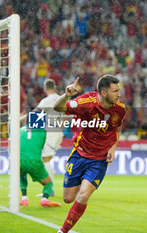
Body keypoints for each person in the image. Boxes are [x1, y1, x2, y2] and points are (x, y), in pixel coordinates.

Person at [54, 75, 125, 233]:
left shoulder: (119, 109)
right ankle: (81, 178)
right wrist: (66, 95)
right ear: (104, 93)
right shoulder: (85, 103)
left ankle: (63, 231)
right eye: (115, 91)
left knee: (83, 195)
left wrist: (113, 146)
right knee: (68, 198)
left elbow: (117, 126)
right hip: (79, 153)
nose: (119, 95)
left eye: (119, 91)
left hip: (99, 159)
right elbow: (57, 108)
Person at [19, 125, 61, 208]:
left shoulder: (20, 130)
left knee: (21, 175)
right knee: (48, 183)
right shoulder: (42, 131)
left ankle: (24, 198)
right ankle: (44, 200)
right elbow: (41, 145)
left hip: (20, 160)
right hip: (35, 161)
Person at [35, 79, 64, 197]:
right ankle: (49, 188)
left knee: (45, 158)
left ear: (45, 88)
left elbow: (35, 114)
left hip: (51, 133)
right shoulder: (61, 98)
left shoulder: (45, 101)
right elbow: (65, 116)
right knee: (47, 158)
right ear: (55, 86)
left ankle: (49, 189)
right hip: (58, 133)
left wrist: (20, 121)